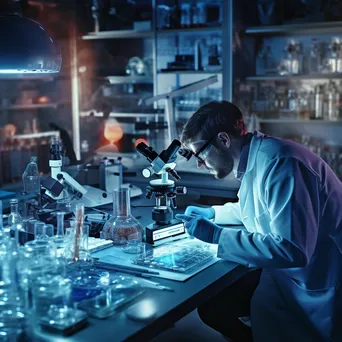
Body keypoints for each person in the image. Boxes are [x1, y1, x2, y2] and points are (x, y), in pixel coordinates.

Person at [175, 101, 342, 342]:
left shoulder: (282, 163)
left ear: (223, 139)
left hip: (322, 281)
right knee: (219, 309)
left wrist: (216, 236)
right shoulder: (260, 158)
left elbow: (292, 249)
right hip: (290, 280)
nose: (199, 164)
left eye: (200, 154)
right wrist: (213, 213)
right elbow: (260, 208)